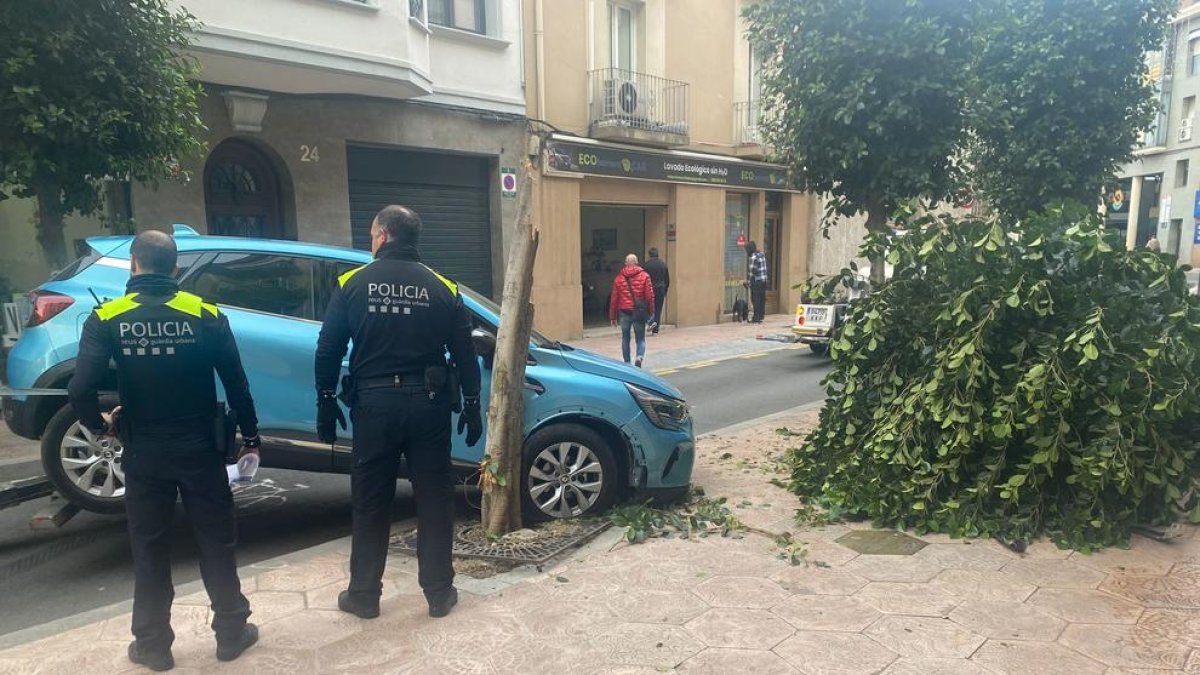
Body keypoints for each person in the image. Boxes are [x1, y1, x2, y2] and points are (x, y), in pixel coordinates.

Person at [68, 230, 260, 672]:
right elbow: (237, 385)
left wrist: (102, 427)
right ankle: (232, 633)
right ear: (175, 270)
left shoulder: (107, 317)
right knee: (216, 540)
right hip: (201, 448)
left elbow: (80, 388)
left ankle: (153, 646)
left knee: (150, 546)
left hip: (144, 451)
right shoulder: (206, 314)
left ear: (134, 265)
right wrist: (250, 437)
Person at [315, 205, 482, 621]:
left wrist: (325, 398)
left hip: (373, 408)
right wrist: (474, 404)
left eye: (373, 235)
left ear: (384, 236)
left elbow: (328, 347)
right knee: (434, 499)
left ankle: (364, 595)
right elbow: (465, 352)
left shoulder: (352, 283)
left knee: (371, 501)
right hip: (428, 406)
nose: (371, 242)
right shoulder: (443, 287)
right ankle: (440, 593)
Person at [608, 253, 656, 368]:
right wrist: (651, 312)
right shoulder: (645, 276)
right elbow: (650, 296)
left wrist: (612, 317)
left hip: (624, 311)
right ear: (637, 262)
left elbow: (614, 298)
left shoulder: (618, 279)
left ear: (626, 263)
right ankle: (639, 357)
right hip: (639, 311)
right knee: (640, 338)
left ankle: (627, 363)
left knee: (625, 337)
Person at [643, 247, 670, 335]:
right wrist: (665, 290)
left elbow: (642, 279)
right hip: (660, 289)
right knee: (658, 309)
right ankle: (655, 330)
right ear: (657, 254)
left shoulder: (646, 265)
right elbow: (667, 279)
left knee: (648, 307)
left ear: (649, 255)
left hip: (649, 289)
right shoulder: (663, 264)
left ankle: (650, 322)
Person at [745, 240, 768, 324]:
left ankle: (756, 318)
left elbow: (752, 272)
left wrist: (748, 282)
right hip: (764, 281)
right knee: (762, 299)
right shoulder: (762, 255)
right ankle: (761, 316)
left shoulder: (753, 257)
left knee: (755, 299)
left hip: (757, 281)